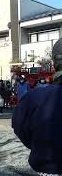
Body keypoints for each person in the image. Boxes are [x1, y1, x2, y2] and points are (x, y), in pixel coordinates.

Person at [12, 38, 62, 175]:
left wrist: (39, 143)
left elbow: (19, 127)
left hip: (48, 169)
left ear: (53, 64)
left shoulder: (34, 97)